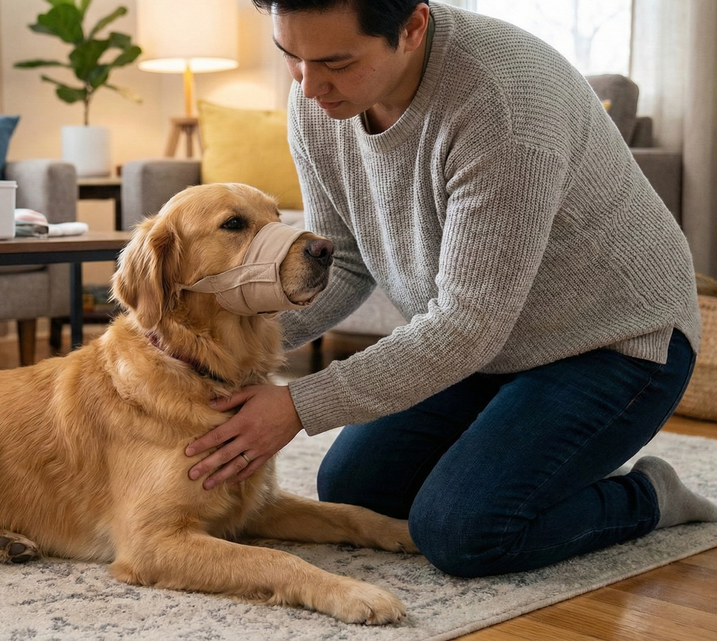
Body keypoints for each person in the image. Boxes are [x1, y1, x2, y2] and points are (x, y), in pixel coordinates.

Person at [183, 0, 717, 578]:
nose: (310, 86)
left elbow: (466, 325)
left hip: (614, 343)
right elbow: (346, 261)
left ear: (412, 26)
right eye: (291, 56)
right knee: (354, 489)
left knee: (464, 531)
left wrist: (298, 404)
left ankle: (650, 498)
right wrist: (212, 343)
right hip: (487, 347)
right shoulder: (319, 101)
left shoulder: (506, 105)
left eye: (336, 61)